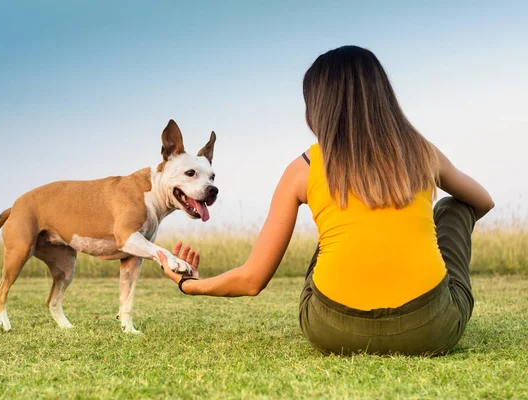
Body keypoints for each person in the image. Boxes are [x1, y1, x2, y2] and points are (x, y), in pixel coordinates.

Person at [157, 45, 495, 356]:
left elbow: (252, 279)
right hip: (430, 330)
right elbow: (482, 202)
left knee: (334, 231)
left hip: (332, 330)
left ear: (317, 107)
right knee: (454, 205)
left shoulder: (302, 168)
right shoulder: (422, 153)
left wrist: (190, 285)